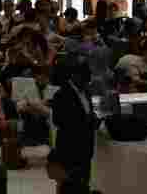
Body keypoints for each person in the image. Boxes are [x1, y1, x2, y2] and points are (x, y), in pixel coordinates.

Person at [48, 58, 97, 194]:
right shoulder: (61, 94)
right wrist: (84, 121)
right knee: (69, 186)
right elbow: (58, 120)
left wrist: (94, 119)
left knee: (84, 184)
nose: (87, 82)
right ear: (75, 75)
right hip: (70, 149)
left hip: (86, 148)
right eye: (84, 79)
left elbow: (89, 113)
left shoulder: (86, 92)